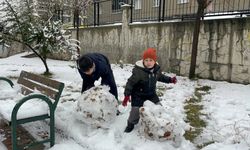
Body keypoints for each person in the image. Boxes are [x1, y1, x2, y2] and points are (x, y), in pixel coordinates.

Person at [122, 48, 177, 133]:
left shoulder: (156, 70)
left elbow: (161, 77)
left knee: (159, 107)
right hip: (138, 95)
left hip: (151, 94)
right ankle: (130, 124)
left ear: (154, 61)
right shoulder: (138, 71)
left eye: (151, 60)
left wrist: (170, 80)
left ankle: (159, 123)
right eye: (146, 60)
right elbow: (130, 83)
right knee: (135, 111)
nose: (148, 62)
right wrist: (127, 95)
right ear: (143, 61)